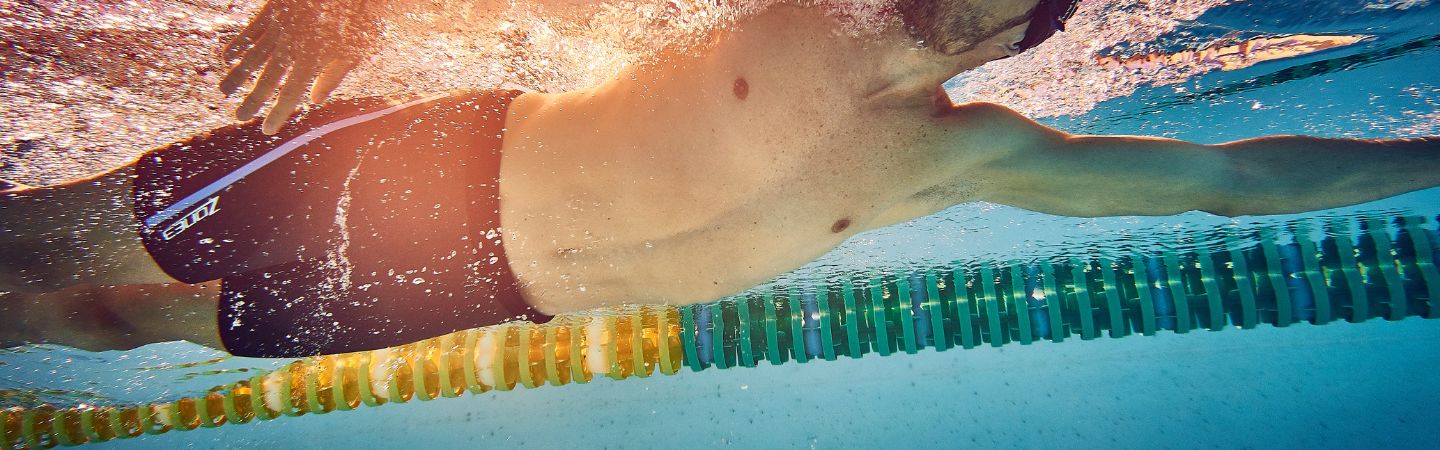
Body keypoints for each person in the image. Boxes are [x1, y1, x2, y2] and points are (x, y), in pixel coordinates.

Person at [2, 0, 1437, 357]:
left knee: (105, 320)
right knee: (38, 242)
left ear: (1021, 41)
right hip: (421, 169)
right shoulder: (789, 13)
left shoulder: (968, 152)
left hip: (473, 289)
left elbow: (1230, 176)